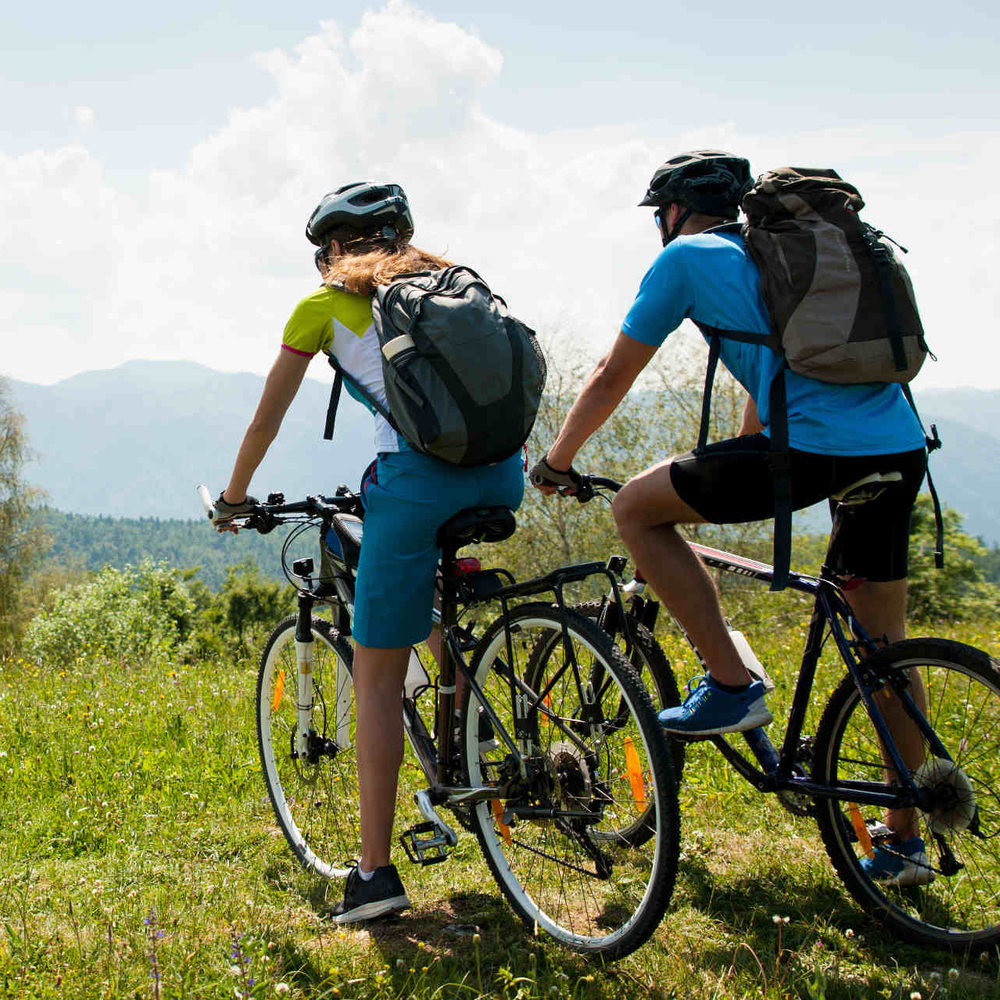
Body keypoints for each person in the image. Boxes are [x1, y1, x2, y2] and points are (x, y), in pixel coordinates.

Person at [530, 150, 932, 886]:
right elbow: (766, 370)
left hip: (814, 453)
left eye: (660, 215)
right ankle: (904, 833)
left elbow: (612, 373)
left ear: (674, 211)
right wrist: (739, 449)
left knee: (637, 509)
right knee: (883, 647)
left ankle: (731, 682)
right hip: (900, 448)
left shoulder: (685, 258)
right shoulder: (779, 255)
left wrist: (557, 460)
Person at [215, 182, 525, 921]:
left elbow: (266, 420)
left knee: (378, 678)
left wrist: (233, 499)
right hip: (503, 476)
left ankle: (375, 875)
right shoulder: (454, 288)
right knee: (426, 605)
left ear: (331, 250)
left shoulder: (321, 309)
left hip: (416, 488)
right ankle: (471, 736)